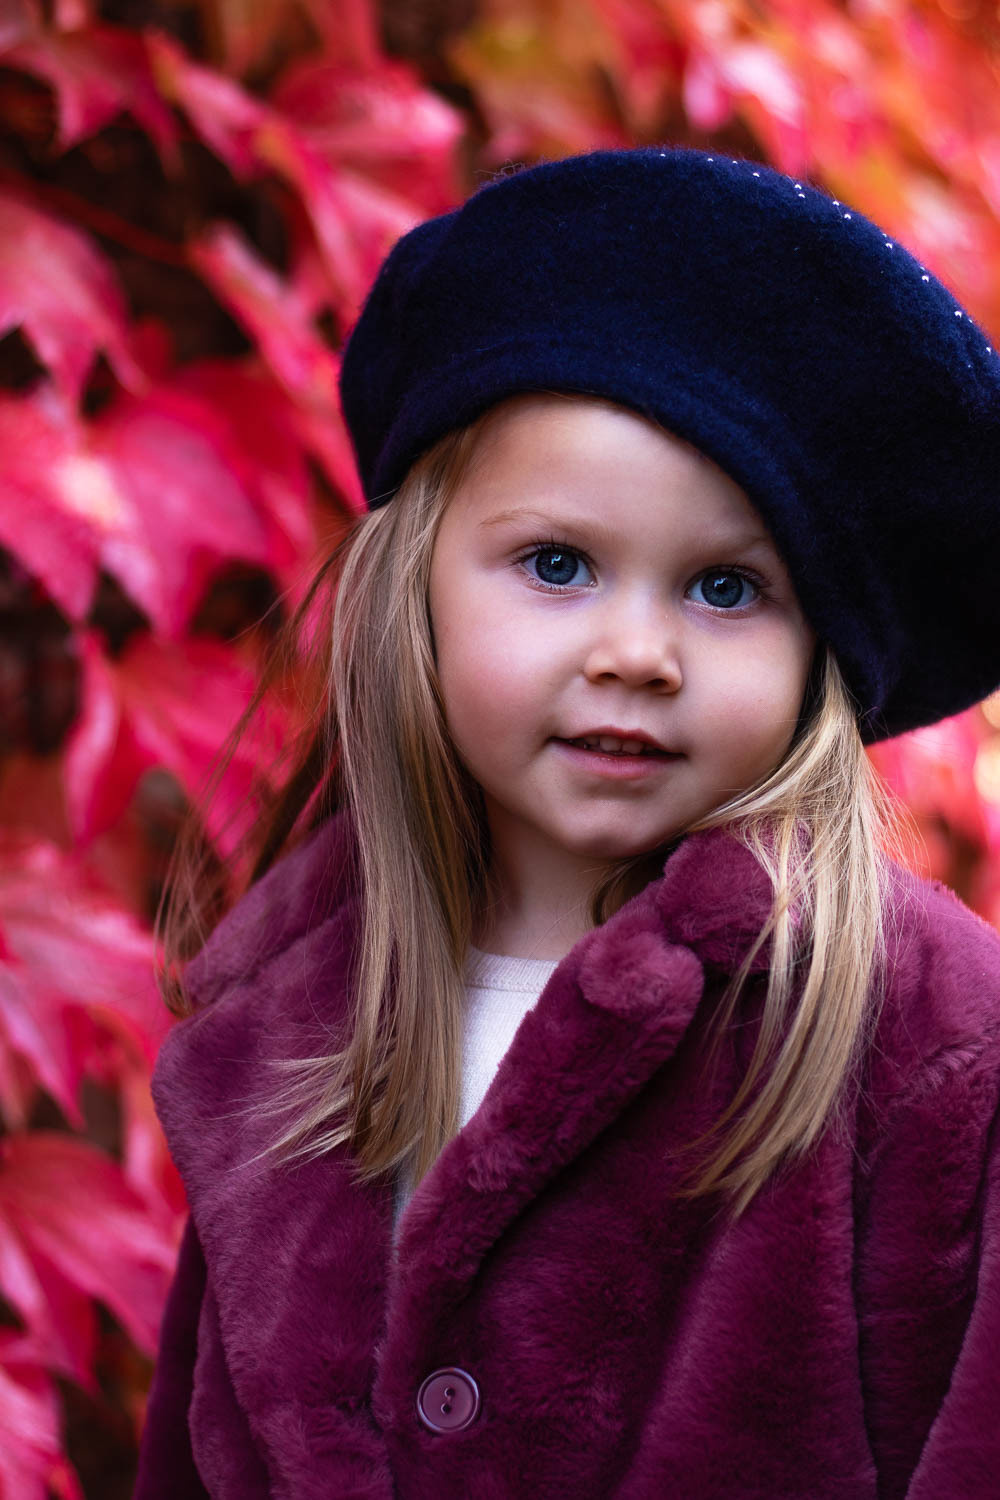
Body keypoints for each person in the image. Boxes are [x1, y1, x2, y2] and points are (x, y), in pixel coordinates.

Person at [133, 146, 1000, 1499]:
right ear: (414, 583)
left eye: (725, 589)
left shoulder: (928, 1043)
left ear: (824, 654)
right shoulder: (283, 1025)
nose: (636, 652)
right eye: (558, 564)